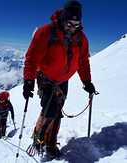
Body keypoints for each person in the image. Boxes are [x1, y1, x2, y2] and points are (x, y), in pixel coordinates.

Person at [23, 0, 96, 158]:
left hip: (63, 81)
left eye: (76, 24)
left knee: (57, 112)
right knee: (50, 110)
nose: (73, 28)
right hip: (46, 78)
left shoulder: (81, 39)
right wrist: (28, 81)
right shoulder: (46, 32)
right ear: (63, 19)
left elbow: (83, 62)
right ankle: (38, 139)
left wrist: (87, 82)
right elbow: (31, 58)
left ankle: (50, 142)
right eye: (70, 23)